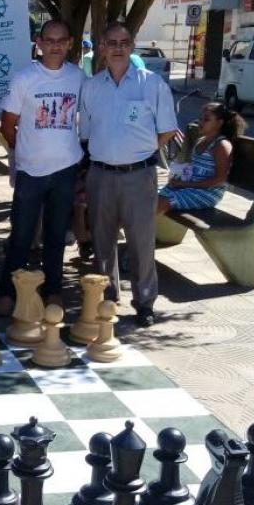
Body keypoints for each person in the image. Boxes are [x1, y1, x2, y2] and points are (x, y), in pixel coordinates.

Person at [80, 21, 178, 327]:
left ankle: (145, 302)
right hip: (100, 175)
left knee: (141, 241)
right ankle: (107, 296)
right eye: (112, 42)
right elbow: (86, 133)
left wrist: (140, 152)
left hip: (139, 175)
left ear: (132, 45)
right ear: (102, 47)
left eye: (124, 42)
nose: (118, 48)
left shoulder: (152, 85)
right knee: (102, 240)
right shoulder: (92, 86)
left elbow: (166, 131)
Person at [0, 20, 85, 315]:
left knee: (56, 236)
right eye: (49, 40)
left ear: (70, 42)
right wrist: (23, 152)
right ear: (39, 42)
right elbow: (8, 124)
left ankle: (54, 291)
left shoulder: (78, 78)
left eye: (61, 40)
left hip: (65, 169)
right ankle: (8, 292)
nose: (55, 46)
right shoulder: (24, 78)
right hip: (30, 171)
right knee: (21, 234)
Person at [158, 102, 245, 214]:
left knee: (160, 202)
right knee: (149, 197)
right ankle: (140, 228)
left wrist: (185, 184)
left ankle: (141, 230)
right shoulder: (200, 141)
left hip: (207, 193)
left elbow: (220, 180)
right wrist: (180, 180)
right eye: (200, 119)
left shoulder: (221, 145)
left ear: (219, 123)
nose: (201, 122)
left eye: (206, 120)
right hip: (190, 188)